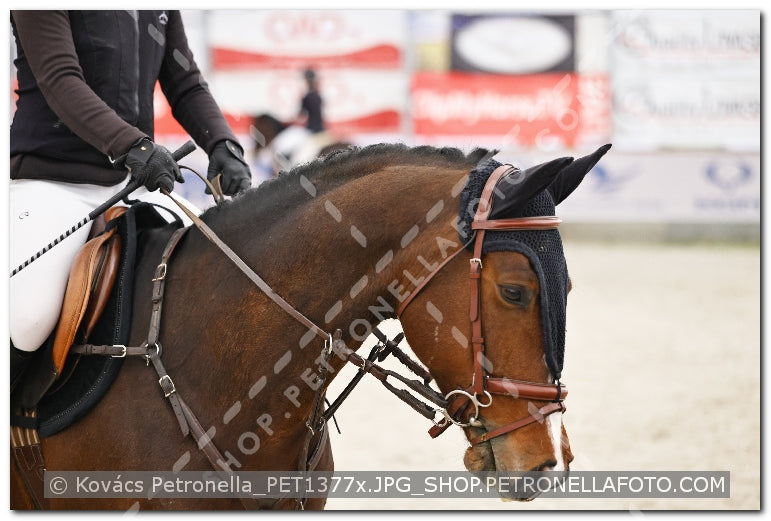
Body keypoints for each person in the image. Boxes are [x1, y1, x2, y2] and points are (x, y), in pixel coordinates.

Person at [9, 10, 252, 387]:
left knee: (217, 270)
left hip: (133, 185)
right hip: (54, 182)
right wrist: (133, 146)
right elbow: (59, 79)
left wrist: (222, 143)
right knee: (31, 318)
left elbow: (185, 82)